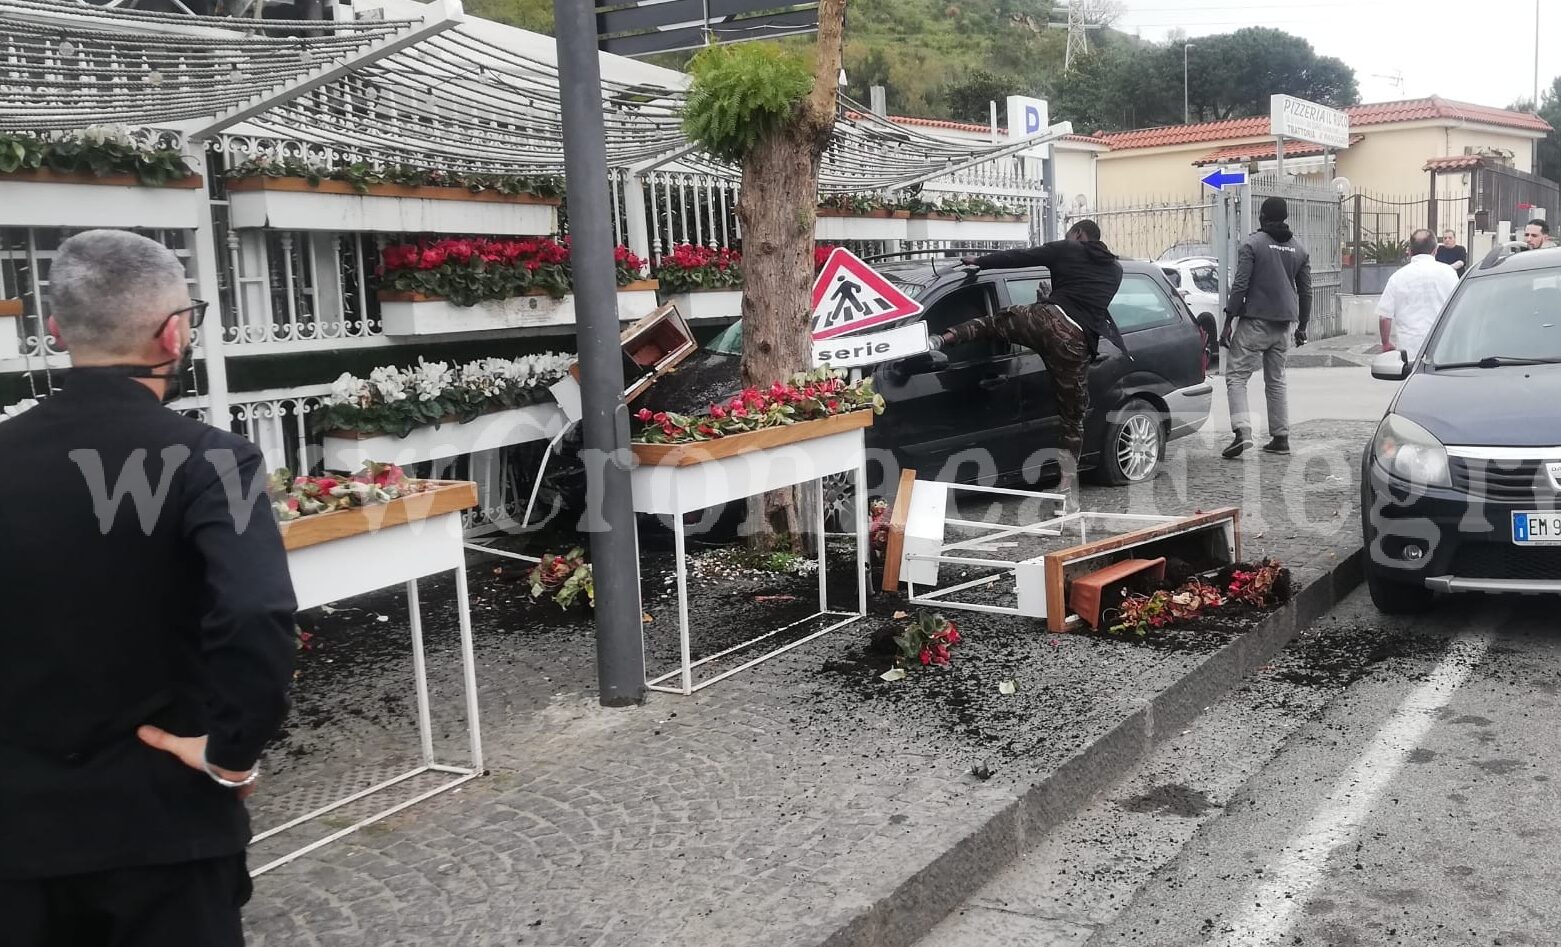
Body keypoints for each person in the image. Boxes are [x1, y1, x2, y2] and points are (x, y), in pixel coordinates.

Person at [0, 230, 297, 945]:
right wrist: (231, 753)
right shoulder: (212, 460)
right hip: (164, 824)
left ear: (56, 330)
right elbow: (255, 610)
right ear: (174, 333)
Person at [927, 219, 1125, 497]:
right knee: (1072, 418)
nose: (1066, 236)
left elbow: (1020, 257)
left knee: (995, 323)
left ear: (1079, 234)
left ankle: (941, 339)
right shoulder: (1115, 271)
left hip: (1049, 320)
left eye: (1069, 233)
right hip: (1075, 344)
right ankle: (1066, 485)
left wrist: (980, 261)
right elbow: (1086, 303)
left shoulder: (1068, 248)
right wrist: (1051, 298)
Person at [1220, 196, 1312, 458]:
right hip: (1284, 325)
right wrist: (1302, 326)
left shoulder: (1252, 244)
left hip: (1255, 322)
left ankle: (1242, 432)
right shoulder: (1299, 249)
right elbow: (1306, 292)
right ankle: (1280, 438)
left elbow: (1240, 285)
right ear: (1284, 217)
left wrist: (1228, 321)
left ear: (1262, 216)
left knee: (1236, 376)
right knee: (1276, 380)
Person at [1375, 228, 1458, 362]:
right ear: (1435, 250)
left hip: (1410, 351)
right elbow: (1458, 310)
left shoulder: (1397, 277)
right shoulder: (1449, 274)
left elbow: (1384, 317)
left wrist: (1385, 343)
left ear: (1409, 251)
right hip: (1442, 350)